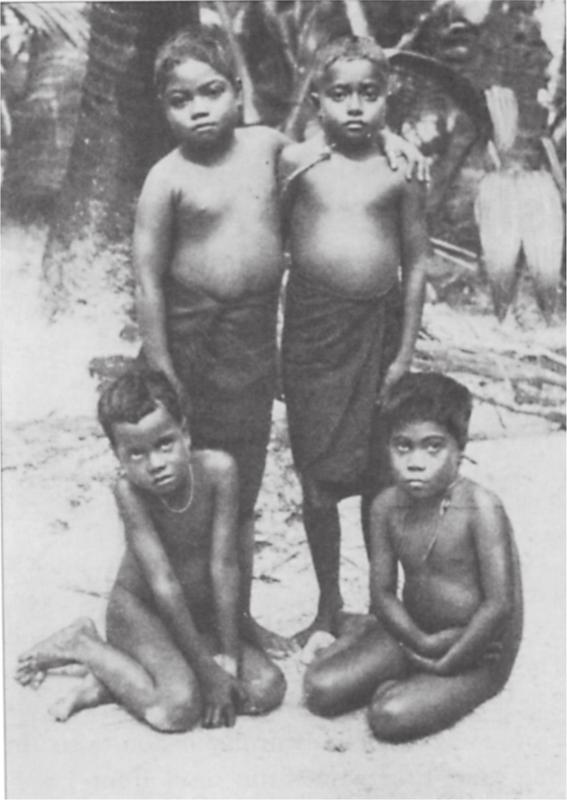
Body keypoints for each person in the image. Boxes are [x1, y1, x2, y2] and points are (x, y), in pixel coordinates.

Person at [134, 27, 428, 655]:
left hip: (251, 343)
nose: (201, 109)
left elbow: (343, 148)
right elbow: (146, 275)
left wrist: (393, 138)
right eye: (181, 100)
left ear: (237, 92)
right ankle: (197, 617)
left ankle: (238, 616)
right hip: (190, 341)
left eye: (213, 92)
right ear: (162, 107)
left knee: (242, 479)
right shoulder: (166, 179)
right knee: (196, 480)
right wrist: (160, 361)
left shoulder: (270, 147)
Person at [15, 369, 286, 730]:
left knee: (266, 688)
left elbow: (224, 567)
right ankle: (83, 644)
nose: (156, 464)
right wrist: (208, 672)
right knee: (176, 710)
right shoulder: (129, 492)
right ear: (118, 456)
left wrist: (229, 659)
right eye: (136, 454)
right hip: (141, 614)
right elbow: (164, 584)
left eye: (165, 444)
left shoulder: (220, 471)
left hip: (195, 615)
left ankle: (123, 679)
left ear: (186, 435)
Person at [279, 36, 431, 645]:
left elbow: (416, 265)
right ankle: (326, 604)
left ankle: (379, 603)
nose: (355, 107)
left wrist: (404, 353)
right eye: (339, 94)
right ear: (317, 100)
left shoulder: (401, 172)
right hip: (314, 337)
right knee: (317, 478)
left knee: (377, 477)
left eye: (369, 93)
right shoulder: (298, 165)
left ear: (387, 97)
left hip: (378, 331)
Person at [302, 372, 523, 742]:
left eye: (433, 447)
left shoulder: (481, 507)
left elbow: (500, 605)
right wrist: (421, 642)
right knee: (321, 691)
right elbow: (384, 594)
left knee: (389, 716)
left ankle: (417, 682)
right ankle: (396, 666)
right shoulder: (386, 505)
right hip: (414, 633)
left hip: (477, 647)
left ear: (460, 449)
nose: (415, 462)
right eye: (402, 447)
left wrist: (452, 658)